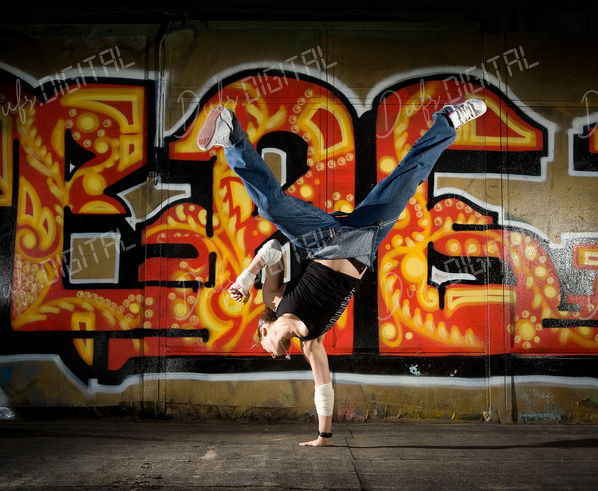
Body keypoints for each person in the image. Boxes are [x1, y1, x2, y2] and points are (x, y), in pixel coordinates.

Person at [196, 98, 487, 446]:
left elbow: (272, 250)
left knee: (271, 206)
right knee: (409, 177)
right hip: (365, 240)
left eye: (267, 349)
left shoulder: (273, 300)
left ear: (264, 330)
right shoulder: (311, 344)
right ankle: (448, 121)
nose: (275, 354)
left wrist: (246, 279)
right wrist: (324, 436)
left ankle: (232, 136)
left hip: (321, 241)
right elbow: (323, 386)